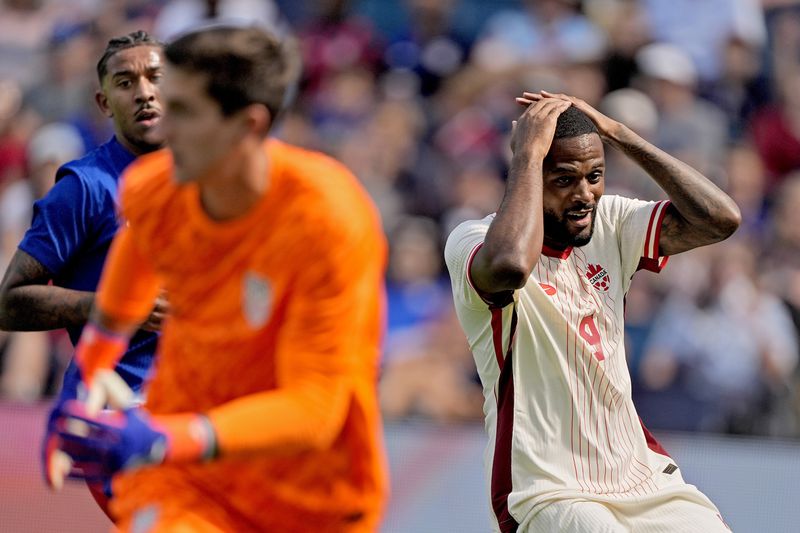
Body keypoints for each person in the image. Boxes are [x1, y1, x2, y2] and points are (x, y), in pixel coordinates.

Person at [45, 26, 388, 532]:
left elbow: (315, 408)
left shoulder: (328, 218)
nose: (164, 121)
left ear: (248, 125)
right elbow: (116, 311)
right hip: (185, 480)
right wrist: (81, 391)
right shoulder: (154, 188)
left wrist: (166, 437)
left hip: (312, 496)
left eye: (183, 110)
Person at [444, 90, 741, 532]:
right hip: (548, 488)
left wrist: (619, 134)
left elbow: (719, 219)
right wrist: (527, 153)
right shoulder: (474, 241)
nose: (585, 194)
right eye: (564, 179)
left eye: (595, 175)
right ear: (529, 176)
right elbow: (509, 267)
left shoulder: (612, 223)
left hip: (640, 477)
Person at [0, 30, 167, 514]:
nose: (144, 92)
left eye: (156, 77)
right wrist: (113, 308)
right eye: (125, 82)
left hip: (192, 402)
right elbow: (9, 303)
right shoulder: (85, 188)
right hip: (120, 409)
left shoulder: (202, 179)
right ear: (104, 102)